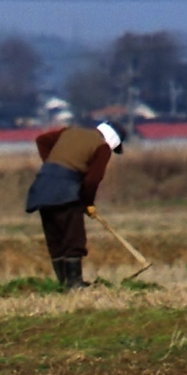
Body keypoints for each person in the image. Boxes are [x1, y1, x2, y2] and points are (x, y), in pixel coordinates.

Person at [25, 120, 127, 289]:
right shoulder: (102, 148)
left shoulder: (69, 132)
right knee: (74, 238)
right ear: (114, 141)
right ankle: (74, 284)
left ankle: (64, 283)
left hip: (43, 186)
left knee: (55, 237)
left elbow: (41, 140)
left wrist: (52, 165)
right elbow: (93, 180)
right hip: (66, 192)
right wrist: (88, 203)